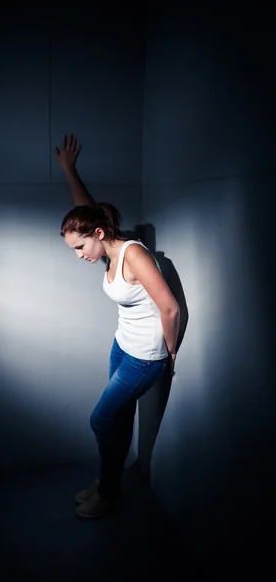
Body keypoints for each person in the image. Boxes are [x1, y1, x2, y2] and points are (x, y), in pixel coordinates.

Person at [54, 134, 180, 519]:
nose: (79, 257)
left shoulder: (134, 255)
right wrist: (69, 169)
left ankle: (108, 493)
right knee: (119, 420)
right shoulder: (103, 241)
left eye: (80, 248)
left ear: (99, 235)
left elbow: (170, 309)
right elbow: (85, 210)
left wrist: (170, 354)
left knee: (101, 419)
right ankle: (110, 480)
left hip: (146, 358)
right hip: (122, 345)